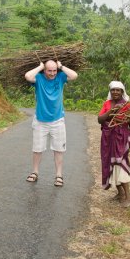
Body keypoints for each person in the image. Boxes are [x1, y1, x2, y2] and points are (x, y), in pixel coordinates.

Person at [24, 59, 78, 187]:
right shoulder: (39, 78)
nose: (52, 73)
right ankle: (35, 172)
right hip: (40, 120)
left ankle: (59, 175)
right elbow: (27, 76)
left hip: (58, 120)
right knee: (37, 148)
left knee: (59, 149)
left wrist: (61, 66)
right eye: (49, 70)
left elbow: (74, 75)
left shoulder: (60, 77)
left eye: (54, 70)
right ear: (44, 70)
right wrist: (39, 67)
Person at [97, 81, 130, 207]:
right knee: (110, 163)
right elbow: (100, 119)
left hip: (121, 139)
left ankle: (128, 197)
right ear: (110, 92)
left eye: (118, 90)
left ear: (122, 92)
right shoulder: (107, 104)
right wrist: (111, 112)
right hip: (108, 138)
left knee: (120, 164)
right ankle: (120, 193)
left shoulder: (127, 106)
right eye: (113, 90)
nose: (115, 92)